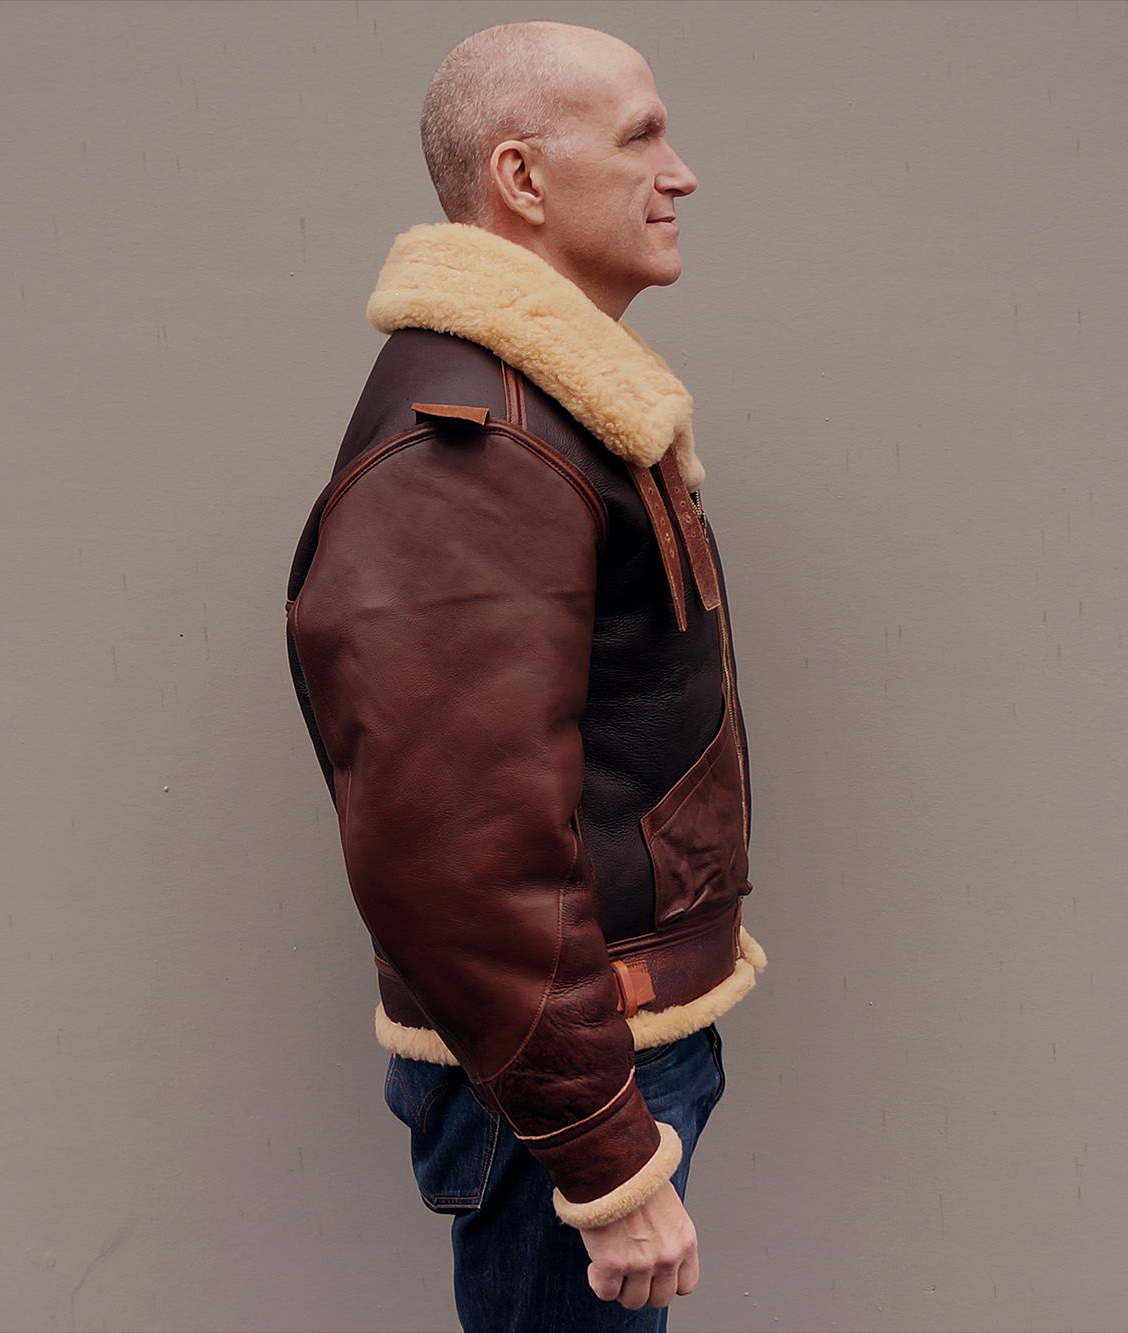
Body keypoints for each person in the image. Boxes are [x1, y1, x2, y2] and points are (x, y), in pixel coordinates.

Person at [286, 21, 764, 1332]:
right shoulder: (479, 444)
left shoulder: (543, 404)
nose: (680, 173)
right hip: (568, 1077)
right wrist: (601, 1150)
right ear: (523, 178)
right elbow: (452, 842)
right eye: (640, 137)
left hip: (597, 1046)